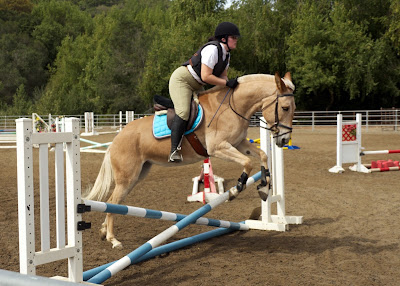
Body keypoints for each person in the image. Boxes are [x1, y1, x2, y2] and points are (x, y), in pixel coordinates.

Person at [168, 21, 240, 163]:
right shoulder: (212, 50)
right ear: (224, 38)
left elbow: (223, 77)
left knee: (209, 110)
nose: (236, 40)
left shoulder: (226, 55)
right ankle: (174, 150)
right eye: (234, 37)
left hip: (197, 84)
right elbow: (206, 76)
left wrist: (229, 87)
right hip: (183, 81)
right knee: (183, 112)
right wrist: (226, 83)